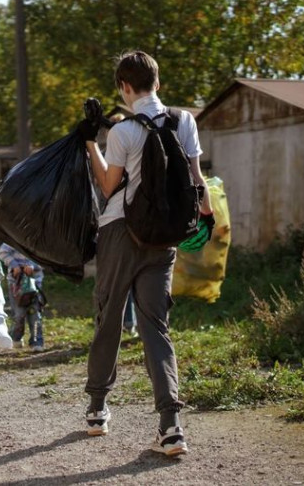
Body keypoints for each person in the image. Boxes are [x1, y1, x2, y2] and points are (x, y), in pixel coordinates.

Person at [77, 50, 213, 456]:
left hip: (121, 232)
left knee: (109, 317)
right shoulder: (183, 120)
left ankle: (98, 409)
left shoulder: (122, 133)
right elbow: (196, 179)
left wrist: (90, 141)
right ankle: (171, 427)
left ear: (124, 87)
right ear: (158, 81)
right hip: (163, 238)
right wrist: (207, 218)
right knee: (156, 325)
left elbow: (107, 185)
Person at [0, 242, 45, 352]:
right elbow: (3, 252)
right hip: (16, 284)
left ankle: (36, 341)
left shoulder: (40, 240)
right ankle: (16, 337)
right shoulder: (14, 238)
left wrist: (33, 266)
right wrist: (15, 265)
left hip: (34, 284)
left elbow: (45, 258)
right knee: (19, 314)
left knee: (35, 314)